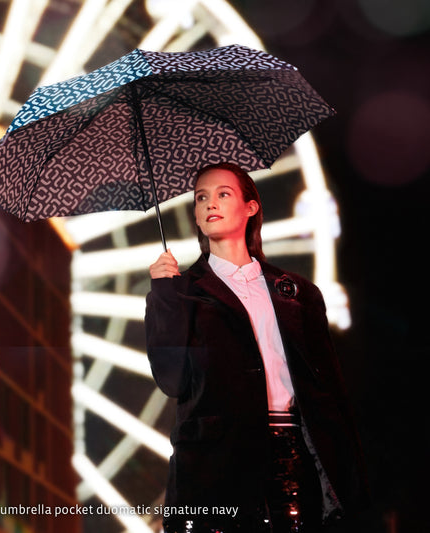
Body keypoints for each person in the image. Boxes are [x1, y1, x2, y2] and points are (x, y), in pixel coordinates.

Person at [145, 162, 369, 532]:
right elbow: (172, 380)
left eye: (223, 194)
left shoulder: (297, 293)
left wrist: (349, 475)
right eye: (200, 198)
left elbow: (330, 390)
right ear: (196, 217)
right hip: (216, 464)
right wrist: (165, 294)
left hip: (293, 455)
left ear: (251, 207)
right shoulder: (180, 292)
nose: (209, 203)